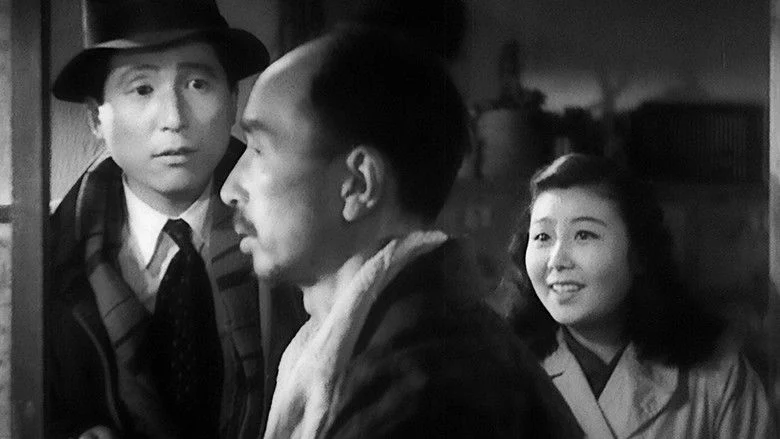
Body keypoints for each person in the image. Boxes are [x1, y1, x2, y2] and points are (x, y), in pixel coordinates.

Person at [220, 26, 583, 439]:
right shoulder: (406, 342)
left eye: (259, 149)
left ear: (358, 185)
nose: (230, 188)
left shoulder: (427, 387)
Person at [46, 0, 305, 437]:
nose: (174, 119)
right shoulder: (49, 261)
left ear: (232, 100)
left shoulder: (301, 235)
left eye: (197, 84)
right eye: (142, 89)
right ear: (96, 117)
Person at [509, 153, 776, 438]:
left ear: (638, 252)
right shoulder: (504, 372)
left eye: (584, 235)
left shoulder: (716, 378)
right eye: (542, 237)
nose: (557, 260)